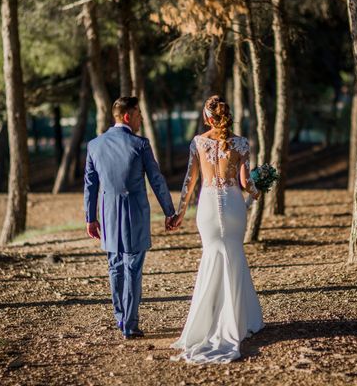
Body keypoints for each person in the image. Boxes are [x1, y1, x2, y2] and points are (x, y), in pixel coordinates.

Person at [170, 95, 264, 363]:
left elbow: (190, 180)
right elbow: (246, 182)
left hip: (209, 206)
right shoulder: (241, 143)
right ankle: (238, 319)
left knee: (212, 255)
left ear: (207, 117)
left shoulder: (198, 142)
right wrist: (258, 192)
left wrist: (179, 212)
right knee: (234, 254)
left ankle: (207, 319)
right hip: (234, 205)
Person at [84, 96, 178, 339]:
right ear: (127, 116)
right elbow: (156, 179)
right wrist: (169, 211)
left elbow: (90, 185)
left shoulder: (95, 145)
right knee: (133, 267)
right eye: (138, 114)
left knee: (115, 266)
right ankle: (130, 324)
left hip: (107, 213)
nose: (141, 119)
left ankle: (120, 318)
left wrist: (90, 217)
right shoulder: (140, 144)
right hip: (134, 212)